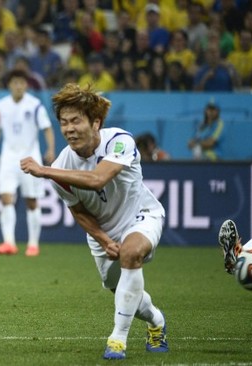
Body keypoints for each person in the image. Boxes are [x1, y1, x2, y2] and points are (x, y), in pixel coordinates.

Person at [20, 83, 168, 360]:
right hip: (103, 234)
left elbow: (99, 178)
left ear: (96, 122)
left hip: (142, 216)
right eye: (64, 123)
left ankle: (117, 340)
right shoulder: (61, 166)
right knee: (123, 291)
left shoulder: (120, 141)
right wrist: (103, 239)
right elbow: (78, 211)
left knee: (131, 253)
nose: (69, 129)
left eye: (76, 120)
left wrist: (45, 171)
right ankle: (156, 321)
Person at [0, 69, 55, 257]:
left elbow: (47, 128)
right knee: (6, 198)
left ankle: (33, 244)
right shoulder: (1, 106)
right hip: (8, 159)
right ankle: (9, 243)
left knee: (31, 201)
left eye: (22, 83)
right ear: (9, 85)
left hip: (31, 158)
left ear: (26, 85)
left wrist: (50, 149)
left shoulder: (35, 105)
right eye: (15, 82)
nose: (18, 86)